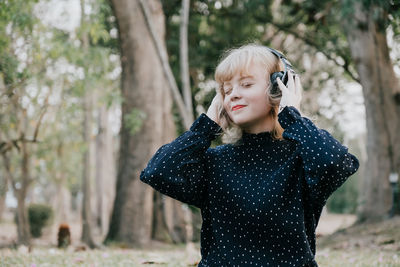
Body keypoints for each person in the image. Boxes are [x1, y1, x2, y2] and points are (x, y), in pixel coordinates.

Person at [140, 43, 360, 267]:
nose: (233, 95)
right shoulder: (215, 162)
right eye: (226, 91)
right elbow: (157, 172)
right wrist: (205, 127)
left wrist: (292, 115)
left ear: (279, 87)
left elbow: (336, 164)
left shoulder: (302, 158)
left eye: (246, 84)